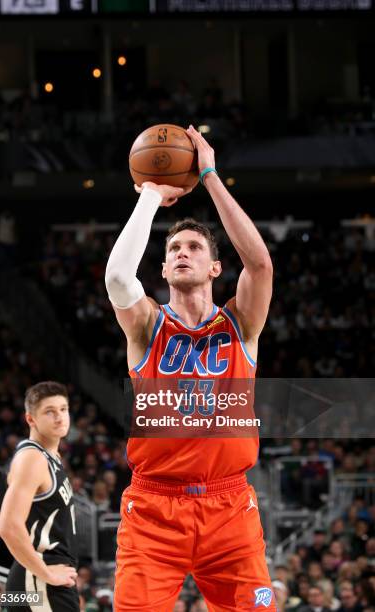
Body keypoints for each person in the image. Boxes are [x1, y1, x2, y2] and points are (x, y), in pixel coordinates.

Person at [105, 124, 274, 611]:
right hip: (154, 509)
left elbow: (260, 265)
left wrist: (211, 176)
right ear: (162, 270)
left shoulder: (240, 324)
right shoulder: (147, 327)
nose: (182, 252)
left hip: (230, 509)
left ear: (215, 268)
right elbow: (118, 275)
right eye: (174, 249)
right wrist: (152, 195)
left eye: (194, 248)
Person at [0, 381, 79, 611]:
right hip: (38, 580)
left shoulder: (51, 457)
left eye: (63, 409)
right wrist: (47, 574)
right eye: (49, 411)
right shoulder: (33, 458)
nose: (59, 417)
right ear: (30, 419)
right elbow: (8, 526)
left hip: (44, 580)